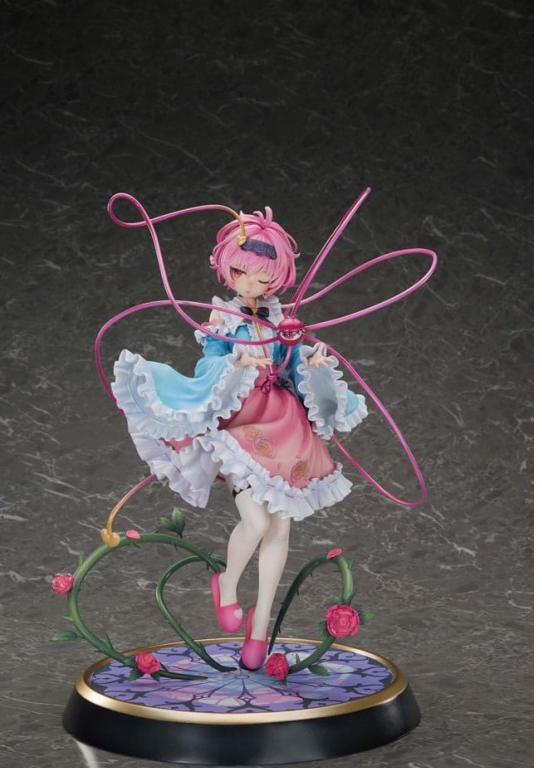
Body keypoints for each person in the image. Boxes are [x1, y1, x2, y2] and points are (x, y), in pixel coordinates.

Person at [111, 207, 367, 668]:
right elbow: (207, 365)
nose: (252, 284)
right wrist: (235, 362)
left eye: (264, 278)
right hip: (240, 423)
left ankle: (261, 622)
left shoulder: (279, 317)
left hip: (287, 428)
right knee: (256, 522)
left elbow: (290, 366)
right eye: (242, 273)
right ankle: (227, 584)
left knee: (281, 527)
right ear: (227, 268)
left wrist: (311, 363)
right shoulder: (223, 317)